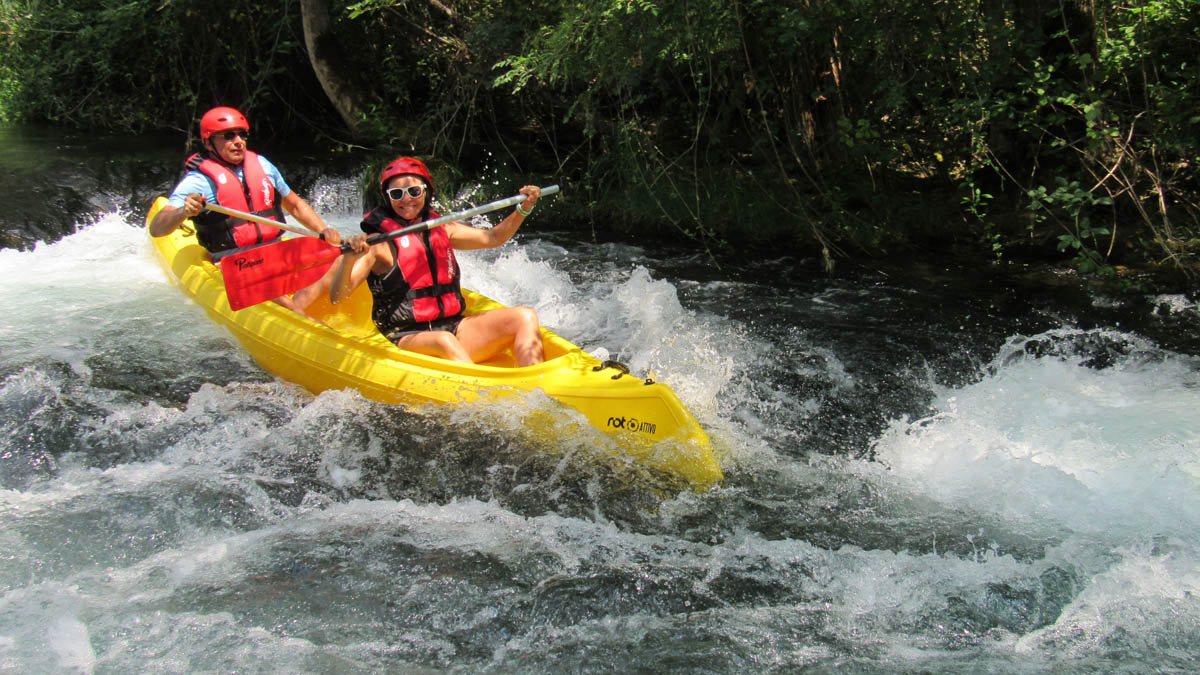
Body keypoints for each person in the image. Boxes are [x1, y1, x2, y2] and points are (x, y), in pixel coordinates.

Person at [330, 157, 545, 366]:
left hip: (452, 326)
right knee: (444, 340)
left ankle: (537, 388)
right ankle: (485, 395)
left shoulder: (444, 229)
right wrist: (348, 258)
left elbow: (493, 238)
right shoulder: (377, 244)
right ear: (388, 199)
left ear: (426, 192)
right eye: (397, 194)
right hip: (405, 336)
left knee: (524, 316)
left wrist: (524, 208)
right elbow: (338, 296)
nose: (406, 200)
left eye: (414, 192)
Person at [148, 106, 342, 314]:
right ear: (208, 142)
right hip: (236, 264)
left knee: (341, 256)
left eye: (242, 134)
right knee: (266, 284)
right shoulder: (199, 181)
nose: (238, 141)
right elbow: (158, 228)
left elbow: (294, 204)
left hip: (275, 252)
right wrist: (184, 212)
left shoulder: (263, 166)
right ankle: (303, 320)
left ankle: (302, 307)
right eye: (228, 136)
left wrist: (324, 230)